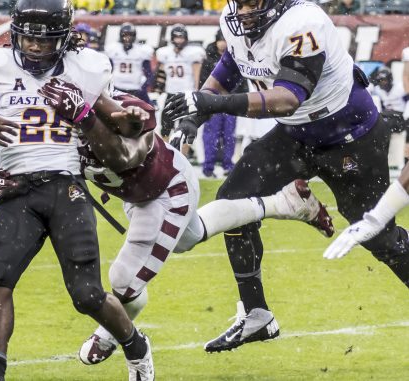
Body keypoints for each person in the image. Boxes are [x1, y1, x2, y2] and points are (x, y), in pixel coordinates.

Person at [163, 0, 409, 352]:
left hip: (349, 137)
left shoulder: (303, 22)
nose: (244, 11)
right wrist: (195, 113)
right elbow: (231, 65)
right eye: (239, 2)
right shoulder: (237, 21)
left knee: (379, 238)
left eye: (253, 2)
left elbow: (286, 99)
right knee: (232, 200)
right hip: (296, 135)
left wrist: (209, 105)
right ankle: (256, 314)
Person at [42, 86, 333, 365]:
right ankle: (286, 203)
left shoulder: (122, 107)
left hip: (166, 189)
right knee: (187, 237)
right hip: (140, 195)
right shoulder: (54, 124)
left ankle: (112, 332)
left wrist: (89, 123)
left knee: (124, 279)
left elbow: (125, 156)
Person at [0, 1, 154, 380]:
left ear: (63, 38)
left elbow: (121, 130)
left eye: (45, 41)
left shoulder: (85, 67)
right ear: (15, 33)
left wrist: (129, 120)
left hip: (66, 186)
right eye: (28, 38)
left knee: (87, 295)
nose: (35, 48)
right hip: (16, 189)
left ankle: (137, 346)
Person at [198, 30, 238, 177]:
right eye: (221, 40)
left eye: (225, 40)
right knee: (211, 135)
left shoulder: (236, 58)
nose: (223, 43)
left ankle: (228, 165)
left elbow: (242, 82)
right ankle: (208, 167)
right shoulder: (209, 60)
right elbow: (203, 82)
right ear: (216, 42)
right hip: (213, 103)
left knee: (229, 135)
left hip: (231, 102)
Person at [155, 24, 206, 139]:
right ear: (172, 38)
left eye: (181, 37)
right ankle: (167, 151)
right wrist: (158, 88)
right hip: (171, 93)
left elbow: (197, 75)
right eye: (176, 37)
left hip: (187, 94)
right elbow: (162, 73)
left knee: (185, 127)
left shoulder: (193, 53)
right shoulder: (165, 53)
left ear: (186, 38)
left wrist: (198, 91)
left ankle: (182, 154)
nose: (179, 40)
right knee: (166, 126)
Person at [104, 22, 154, 104]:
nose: (127, 38)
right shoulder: (113, 49)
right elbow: (108, 70)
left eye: (130, 35)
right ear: (121, 36)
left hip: (136, 89)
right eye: (125, 35)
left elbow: (149, 73)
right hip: (117, 88)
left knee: (149, 110)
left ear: (134, 36)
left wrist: (144, 87)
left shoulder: (141, 51)